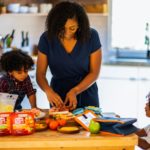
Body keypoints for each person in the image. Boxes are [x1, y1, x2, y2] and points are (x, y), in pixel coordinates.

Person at [36, 1, 102, 111]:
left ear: (80, 24)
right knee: (59, 127)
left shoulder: (92, 36)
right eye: (62, 29)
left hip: (86, 93)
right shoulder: (46, 38)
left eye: (72, 28)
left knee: (89, 127)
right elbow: (40, 74)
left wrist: (75, 91)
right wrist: (48, 91)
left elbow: (94, 73)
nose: (67, 33)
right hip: (58, 96)